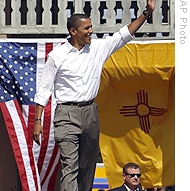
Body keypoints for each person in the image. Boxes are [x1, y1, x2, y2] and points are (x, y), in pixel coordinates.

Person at [32, 0, 156, 190]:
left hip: (90, 112)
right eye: (86, 28)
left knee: (87, 166)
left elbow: (125, 34)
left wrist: (146, 13)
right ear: (73, 31)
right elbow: (44, 89)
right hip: (66, 114)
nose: (91, 31)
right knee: (69, 165)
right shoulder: (57, 55)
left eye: (91, 27)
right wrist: (37, 121)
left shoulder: (98, 48)